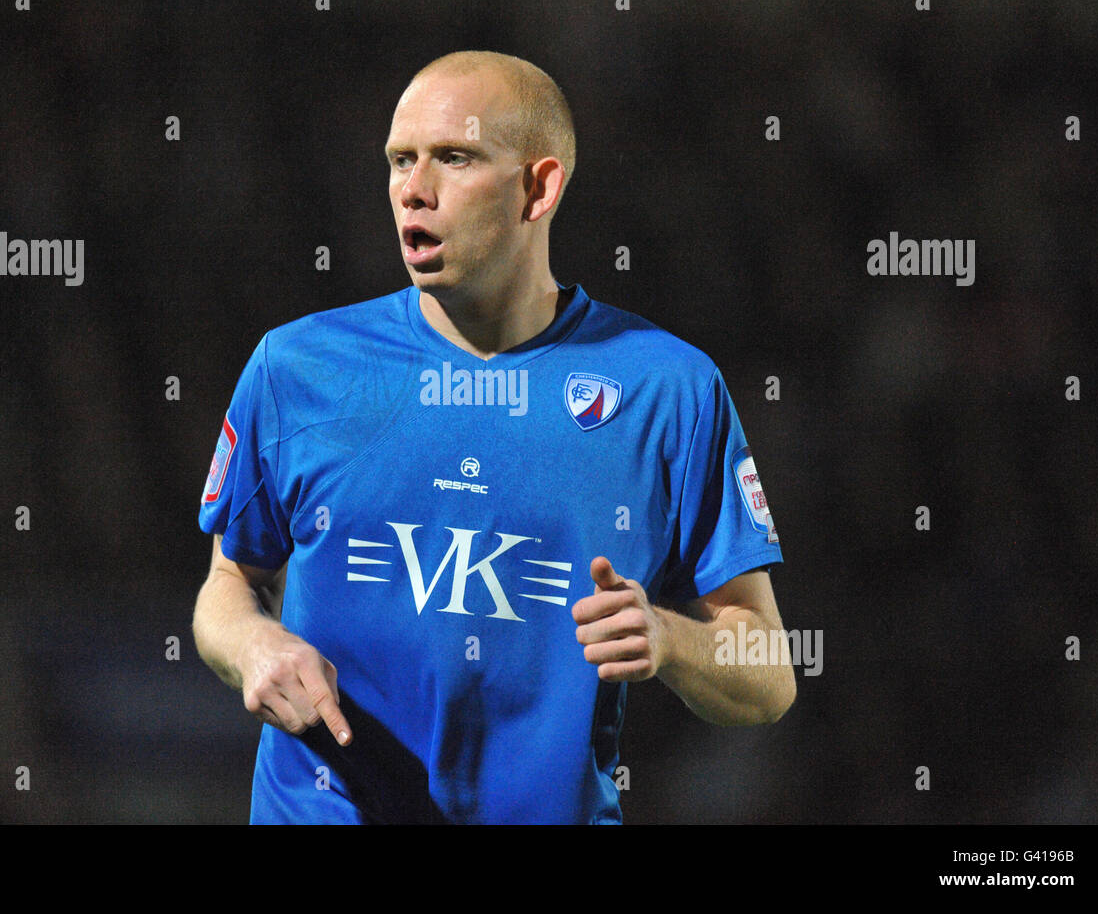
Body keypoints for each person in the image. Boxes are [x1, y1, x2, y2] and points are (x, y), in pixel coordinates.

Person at [193, 50, 795, 824]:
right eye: (399, 160)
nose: (414, 189)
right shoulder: (298, 367)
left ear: (538, 188)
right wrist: (254, 648)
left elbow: (770, 673)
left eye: (454, 157)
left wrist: (669, 638)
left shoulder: (667, 391)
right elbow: (229, 585)